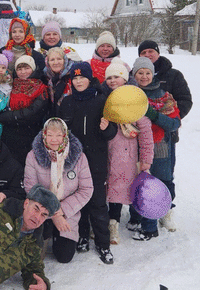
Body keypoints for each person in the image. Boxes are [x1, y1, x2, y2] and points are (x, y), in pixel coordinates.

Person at [59, 61, 117, 264]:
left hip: (96, 160)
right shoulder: (67, 102)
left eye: (81, 77)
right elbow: (61, 130)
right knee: (78, 201)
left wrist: (105, 128)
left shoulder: (101, 100)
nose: (78, 81)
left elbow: (112, 132)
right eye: (74, 78)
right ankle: (82, 236)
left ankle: (103, 244)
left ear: (89, 78)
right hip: (74, 161)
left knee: (98, 203)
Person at [138, 40, 192, 232]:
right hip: (140, 137)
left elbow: (185, 100)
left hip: (164, 136)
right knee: (142, 175)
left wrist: (167, 121)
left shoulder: (173, 75)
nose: (147, 54)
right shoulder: (135, 78)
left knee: (164, 175)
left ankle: (166, 210)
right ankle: (142, 211)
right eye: (143, 52)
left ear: (158, 53)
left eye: (151, 51)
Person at [24, 118, 93, 263]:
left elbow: (86, 189)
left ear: (65, 135)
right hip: (41, 208)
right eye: (50, 135)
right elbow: (31, 188)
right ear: (44, 135)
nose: (54, 140)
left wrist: (62, 210)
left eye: (58, 135)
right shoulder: (33, 156)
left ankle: (58, 234)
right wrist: (54, 214)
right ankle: (47, 230)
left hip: (67, 211)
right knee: (34, 253)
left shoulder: (79, 157)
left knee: (64, 256)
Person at [103, 58, 154, 245]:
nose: (112, 80)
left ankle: (141, 220)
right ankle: (112, 223)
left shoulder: (134, 99)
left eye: (117, 76)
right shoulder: (103, 98)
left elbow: (146, 134)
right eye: (109, 77)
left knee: (130, 187)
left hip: (129, 156)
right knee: (111, 188)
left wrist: (146, 159)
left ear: (125, 79)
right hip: (108, 153)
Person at [131, 57, 181, 241]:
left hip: (160, 145)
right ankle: (137, 216)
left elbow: (174, 123)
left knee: (160, 181)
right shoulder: (130, 93)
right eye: (140, 73)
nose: (144, 76)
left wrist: (153, 115)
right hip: (136, 144)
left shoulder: (164, 96)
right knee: (139, 181)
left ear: (153, 74)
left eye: (147, 73)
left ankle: (159, 217)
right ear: (134, 74)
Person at [0, 55, 48, 166]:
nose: (23, 72)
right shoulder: (11, 85)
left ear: (33, 69)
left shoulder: (41, 88)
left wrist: (3, 117)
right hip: (9, 136)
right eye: (19, 69)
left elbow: (32, 113)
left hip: (29, 135)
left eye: (26, 68)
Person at [44, 47, 74, 117]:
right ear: (47, 62)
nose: (56, 62)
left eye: (59, 59)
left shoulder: (72, 77)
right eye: (52, 60)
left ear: (65, 60)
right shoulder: (44, 78)